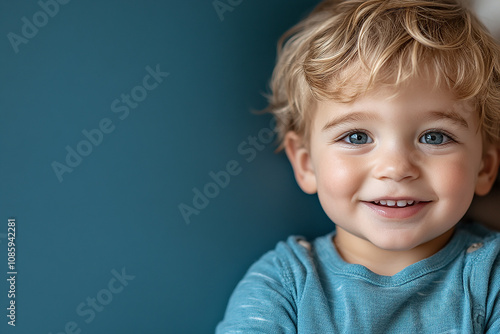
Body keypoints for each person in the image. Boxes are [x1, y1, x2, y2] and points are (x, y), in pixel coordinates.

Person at [216, 0, 500, 332]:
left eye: (434, 137)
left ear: (484, 167)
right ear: (306, 164)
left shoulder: (490, 278)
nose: (396, 168)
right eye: (356, 137)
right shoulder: (283, 285)